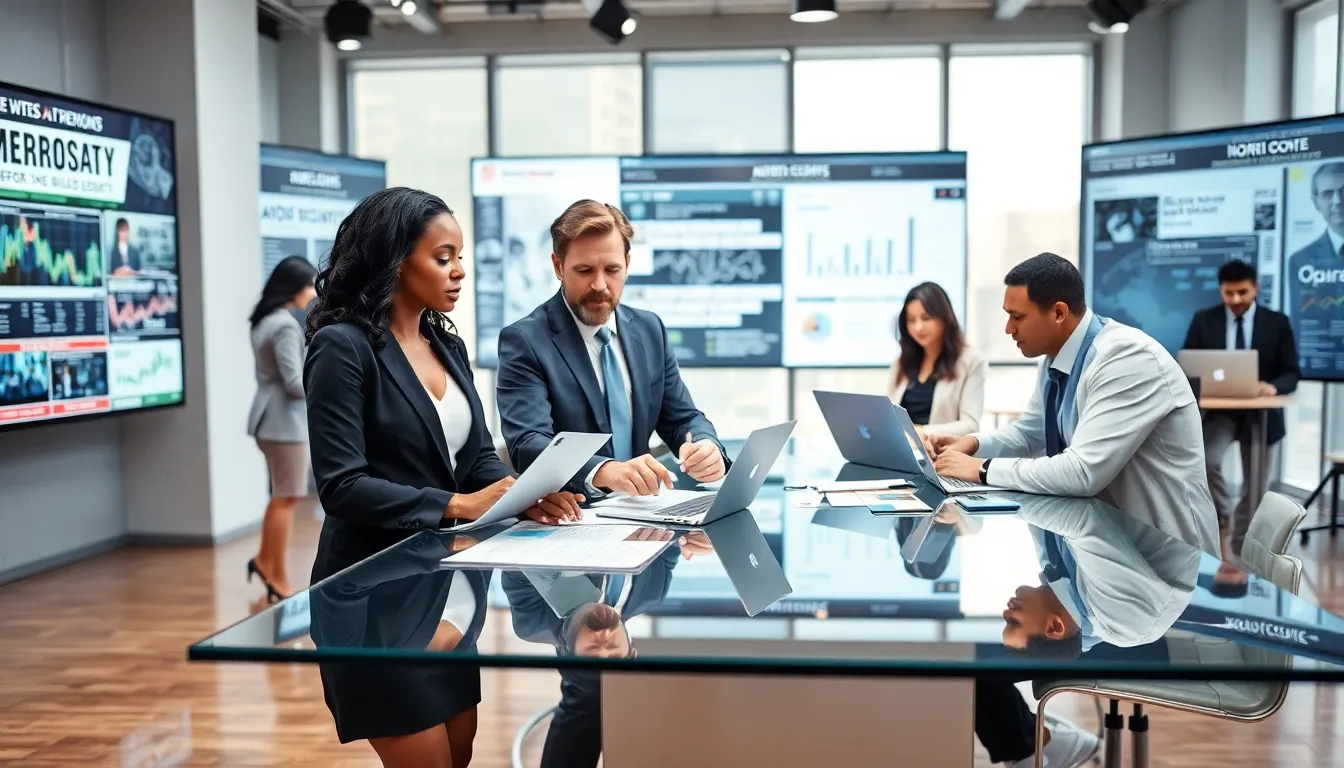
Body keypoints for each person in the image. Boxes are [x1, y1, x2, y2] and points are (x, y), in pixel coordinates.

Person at [304, 187, 582, 768]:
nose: (459, 272)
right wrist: (459, 504)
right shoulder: (342, 348)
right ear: (395, 260)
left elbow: (476, 457)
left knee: (458, 757)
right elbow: (341, 486)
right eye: (443, 257)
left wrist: (520, 493)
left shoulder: (446, 345)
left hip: (450, 586)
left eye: (460, 257)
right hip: (377, 595)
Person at [930, 253, 1219, 557]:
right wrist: (973, 444)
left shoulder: (1126, 358)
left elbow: (1082, 472)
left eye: (1018, 317)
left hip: (1167, 550)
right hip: (1107, 540)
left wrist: (982, 469)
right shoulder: (1055, 358)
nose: (1008, 329)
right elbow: (1030, 434)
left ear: (1058, 312)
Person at [496, 199, 730, 498]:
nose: (599, 284)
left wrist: (705, 446)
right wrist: (605, 471)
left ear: (627, 264)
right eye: (584, 270)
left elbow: (682, 418)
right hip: (577, 511)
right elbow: (528, 443)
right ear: (558, 266)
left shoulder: (649, 329)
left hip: (645, 508)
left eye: (612, 269)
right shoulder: (525, 340)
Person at [1181, 259, 1299, 553]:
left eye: (1242, 292)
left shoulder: (1277, 322)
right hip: (1219, 413)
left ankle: (1242, 539)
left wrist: (1273, 386)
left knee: (1256, 484)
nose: (1235, 299)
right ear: (1221, 290)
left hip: (1262, 415)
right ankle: (1223, 515)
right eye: (1229, 293)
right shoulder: (1203, 320)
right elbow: (1189, 367)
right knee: (1206, 462)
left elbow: (1291, 372)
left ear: (1255, 289)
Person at [245, 255, 319, 601]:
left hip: (268, 420)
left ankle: (264, 562)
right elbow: (293, 382)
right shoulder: (285, 326)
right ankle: (277, 577)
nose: (313, 293)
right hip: (284, 424)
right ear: (294, 287)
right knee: (285, 499)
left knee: (280, 498)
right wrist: (325, 388)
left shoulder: (264, 320)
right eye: (310, 286)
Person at [888, 281, 986, 436]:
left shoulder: (971, 361)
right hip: (901, 448)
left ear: (944, 318)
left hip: (940, 449)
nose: (918, 327)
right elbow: (890, 415)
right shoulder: (901, 362)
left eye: (926, 318)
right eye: (911, 320)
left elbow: (970, 425)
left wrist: (922, 432)